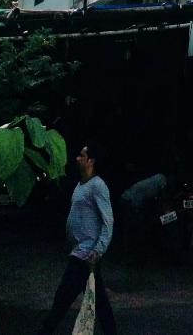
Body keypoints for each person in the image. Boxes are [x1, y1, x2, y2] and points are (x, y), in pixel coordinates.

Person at [39, 143, 117, 335]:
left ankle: (46, 329)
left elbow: (108, 220)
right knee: (97, 300)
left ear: (91, 161)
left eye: (82, 156)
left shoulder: (97, 186)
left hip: (86, 254)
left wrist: (98, 249)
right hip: (80, 251)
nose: (77, 158)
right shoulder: (80, 185)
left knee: (64, 297)